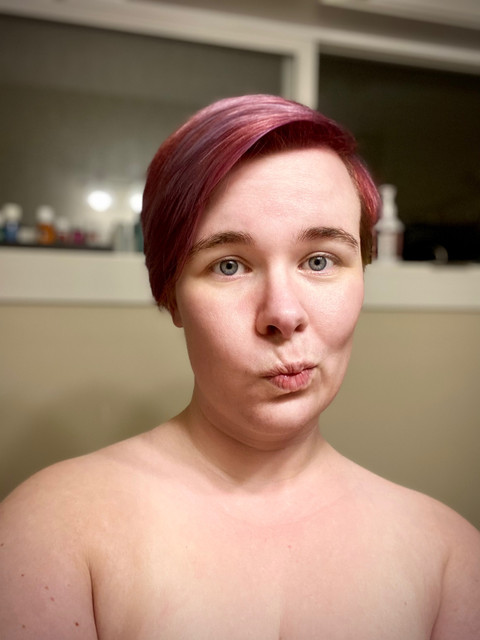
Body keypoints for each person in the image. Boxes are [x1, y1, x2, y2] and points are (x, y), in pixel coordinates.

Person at [1, 94, 479, 639]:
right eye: (229, 265)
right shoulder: (51, 535)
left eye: (319, 260)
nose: (283, 314)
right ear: (171, 296)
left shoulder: (451, 560)